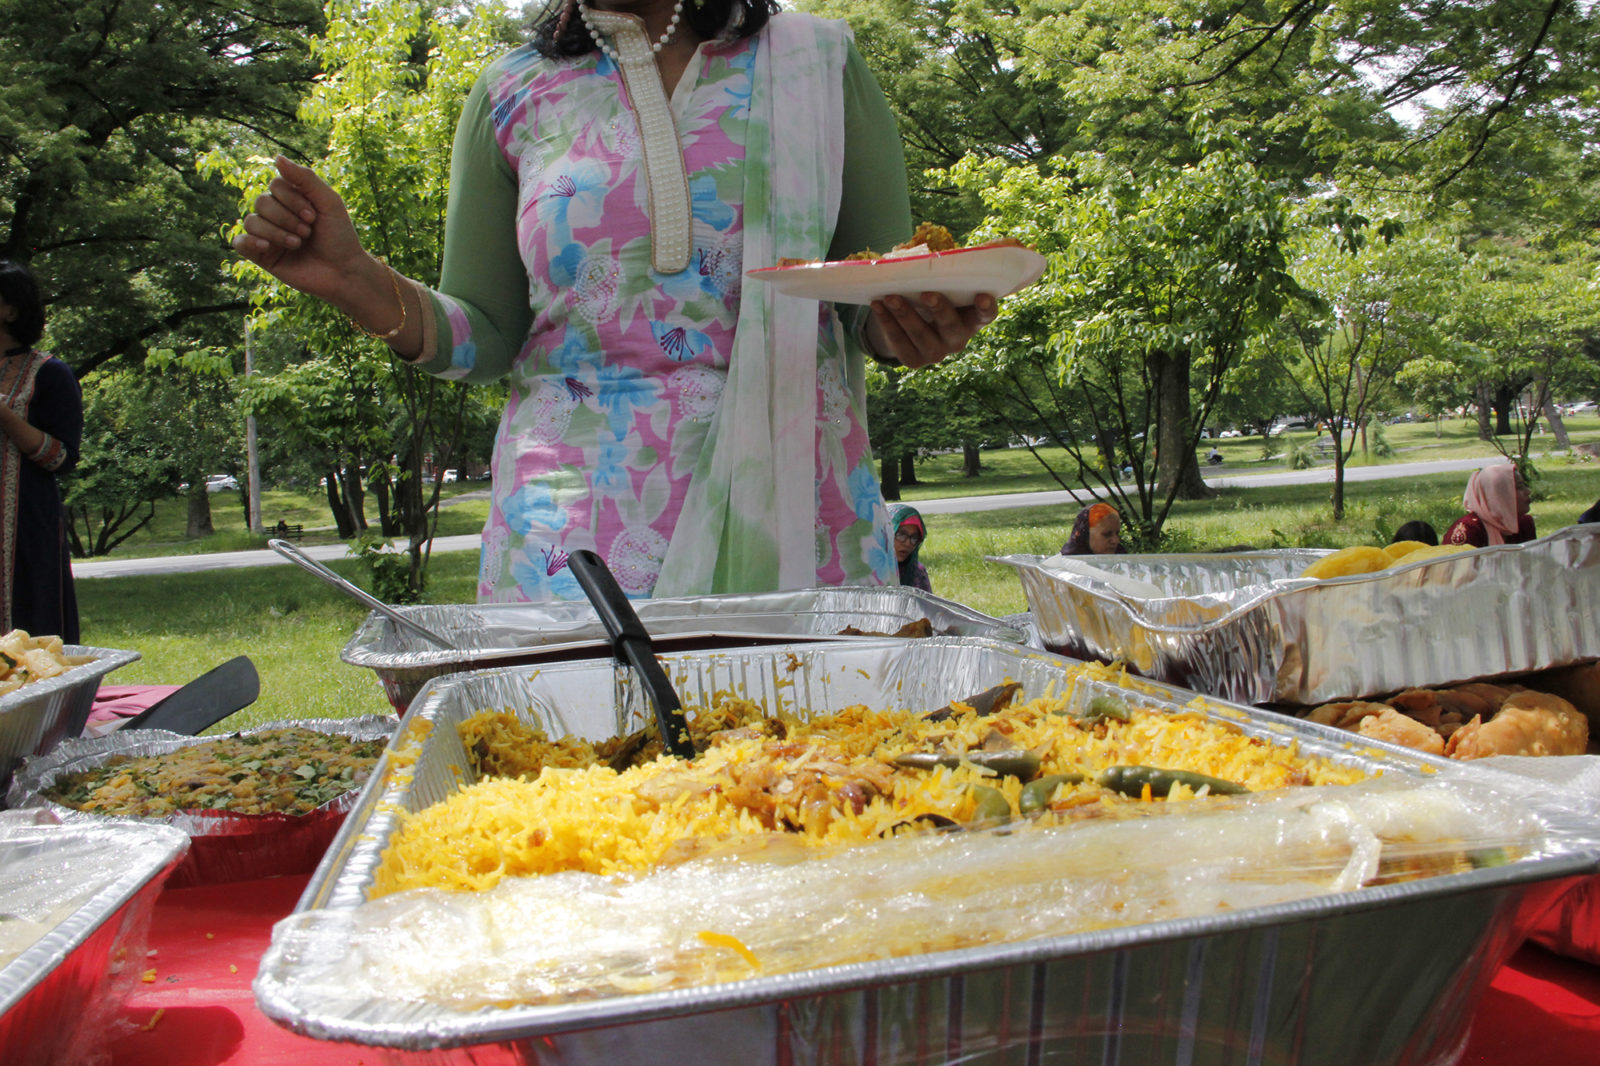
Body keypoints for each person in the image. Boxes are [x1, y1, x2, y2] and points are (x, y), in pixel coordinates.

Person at [233, 0, 996, 602]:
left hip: (799, 527)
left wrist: (915, 325)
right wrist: (358, 280)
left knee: (803, 782)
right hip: (572, 550)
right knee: (582, 788)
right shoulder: (512, 91)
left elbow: (874, 294)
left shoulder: (817, 65)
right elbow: (490, 334)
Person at [0, 260, 82, 642]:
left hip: (23, 530)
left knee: (30, 634)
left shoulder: (50, 373)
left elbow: (60, 457)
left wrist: (4, 414)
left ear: (10, 309)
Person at [1442, 465, 1536, 548]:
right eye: (1519, 487)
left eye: (1525, 485)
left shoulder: (1524, 523)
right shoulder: (1468, 531)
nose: (1528, 491)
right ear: (1498, 495)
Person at [888, 503, 931, 593]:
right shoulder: (868, 572)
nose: (908, 543)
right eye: (901, 535)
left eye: (914, 538)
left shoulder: (917, 573)